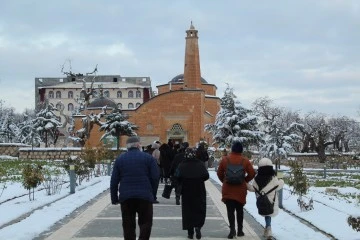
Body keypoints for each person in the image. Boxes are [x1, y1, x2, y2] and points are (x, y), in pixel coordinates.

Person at [110, 136, 160, 240]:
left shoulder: (120, 159)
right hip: (145, 196)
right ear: (138, 145)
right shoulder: (148, 158)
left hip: (126, 197)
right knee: (146, 222)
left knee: (128, 224)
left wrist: (114, 198)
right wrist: (152, 194)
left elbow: (114, 180)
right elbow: (155, 177)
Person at [217, 141, 255, 239]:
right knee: (240, 210)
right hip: (240, 190)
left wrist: (224, 181)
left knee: (230, 211)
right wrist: (244, 180)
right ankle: (240, 230)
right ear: (241, 150)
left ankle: (232, 230)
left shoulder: (225, 160)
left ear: (232, 149)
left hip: (228, 189)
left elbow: (219, 173)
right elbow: (252, 173)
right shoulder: (245, 161)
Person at [247, 158, 284, 239]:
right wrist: (281, 180)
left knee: (266, 214)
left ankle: (267, 228)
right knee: (268, 214)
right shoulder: (273, 178)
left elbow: (253, 189)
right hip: (271, 201)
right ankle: (268, 229)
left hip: (261, 201)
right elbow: (279, 186)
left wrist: (246, 184)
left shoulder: (257, 179)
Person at [176, 147, 209, 239]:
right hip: (199, 189)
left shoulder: (182, 165)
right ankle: (198, 226)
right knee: (199, 208)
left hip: (186, 191)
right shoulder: (200, 164)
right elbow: (206, 176)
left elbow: (177, 176)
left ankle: (190, 232)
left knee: (188, 211)